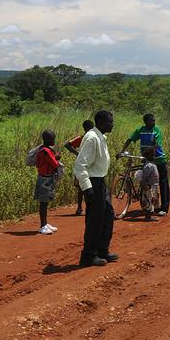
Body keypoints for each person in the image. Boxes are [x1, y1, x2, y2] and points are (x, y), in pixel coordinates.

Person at [74, 110, 117, 267]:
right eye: (109, 122)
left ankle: (102, 249)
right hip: (93, 183)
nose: (112, 124)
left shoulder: (100, 137)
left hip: (100, 181)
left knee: (107, 215)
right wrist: (87, 188)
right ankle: (88, 256)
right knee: (95, 220)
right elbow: (80, 166)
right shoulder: (92, 138)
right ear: (100, 122)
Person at [121, 113, 169, 216]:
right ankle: (149, 206)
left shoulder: (156, 130)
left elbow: (157, 145)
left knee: (162, 183)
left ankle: (164, 208)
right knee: (146, 181)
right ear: (146, 122)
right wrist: (122, 151)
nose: (153, 123)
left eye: (154, 121)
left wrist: (147, 151)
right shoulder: (141, 130)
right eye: (151, 121)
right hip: (146, 160)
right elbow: (130, 139)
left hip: (159, 160)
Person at [64, 119, 95, 216]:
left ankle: (80, 208)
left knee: (82, 187)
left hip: (84, 165)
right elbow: (67, 145)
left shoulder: (83, 138)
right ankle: (82, 208)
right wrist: (78, 153)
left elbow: (68, 145)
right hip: (88, 165)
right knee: (86, 186)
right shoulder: (87, 138)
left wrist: (77, 154)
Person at [34, 129, 61, 235]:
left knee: (45, 202)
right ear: (47, 139)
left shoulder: (44, 149)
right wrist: (57, 158)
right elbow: (54, 164)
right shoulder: (46, 151)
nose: (54, 141)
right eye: (53, 139)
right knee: (43, 203)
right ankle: (42, 226)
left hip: (47, 177)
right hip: (45, 179)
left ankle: (45, 223)